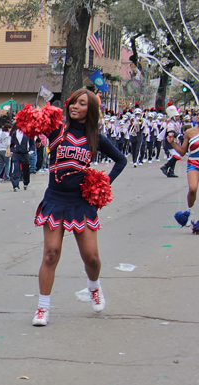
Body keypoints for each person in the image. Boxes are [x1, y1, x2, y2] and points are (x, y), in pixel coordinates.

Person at [32, 89, 126, 326]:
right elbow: (32, 125)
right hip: (55, 200)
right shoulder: (57, 131)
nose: (75, 106)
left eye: (82, 103)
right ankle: (43, 308)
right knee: (51, 253)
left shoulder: (94, 137)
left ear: (90, 109)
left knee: (91, 258)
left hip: (81, 203)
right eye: (74, 102)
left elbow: (121, 160)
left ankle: (94, 286)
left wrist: (104, 182)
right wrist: (38, 114)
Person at [166, 119, 199, 233]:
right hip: (193, 163)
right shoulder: (189, 132)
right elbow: (182, 152)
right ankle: (189, 213)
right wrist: (172, 142)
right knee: (193, 188)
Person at [9, 124, 31, 191]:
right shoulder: (15, 133)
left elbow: (32, 142)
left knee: (26, 168)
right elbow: (12, 143)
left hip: (25, 153)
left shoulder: (28, 133)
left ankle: (26, 182)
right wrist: (12, 151)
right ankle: (15, 185)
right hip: (17, 153)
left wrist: (30, 151)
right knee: (16, 168)